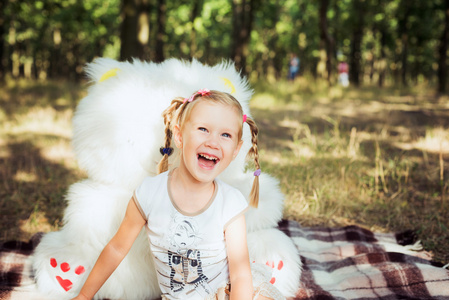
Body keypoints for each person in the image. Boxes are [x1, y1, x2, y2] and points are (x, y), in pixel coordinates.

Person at [72, 89, 284, 299]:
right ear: (180, 135)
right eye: (203, 129)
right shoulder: (149, 194)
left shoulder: (229, 203)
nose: (213, 142)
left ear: (236, 149)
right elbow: (117, 249)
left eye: (225, 135)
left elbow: (240, 274)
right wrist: (84, 296)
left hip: (228, 293)